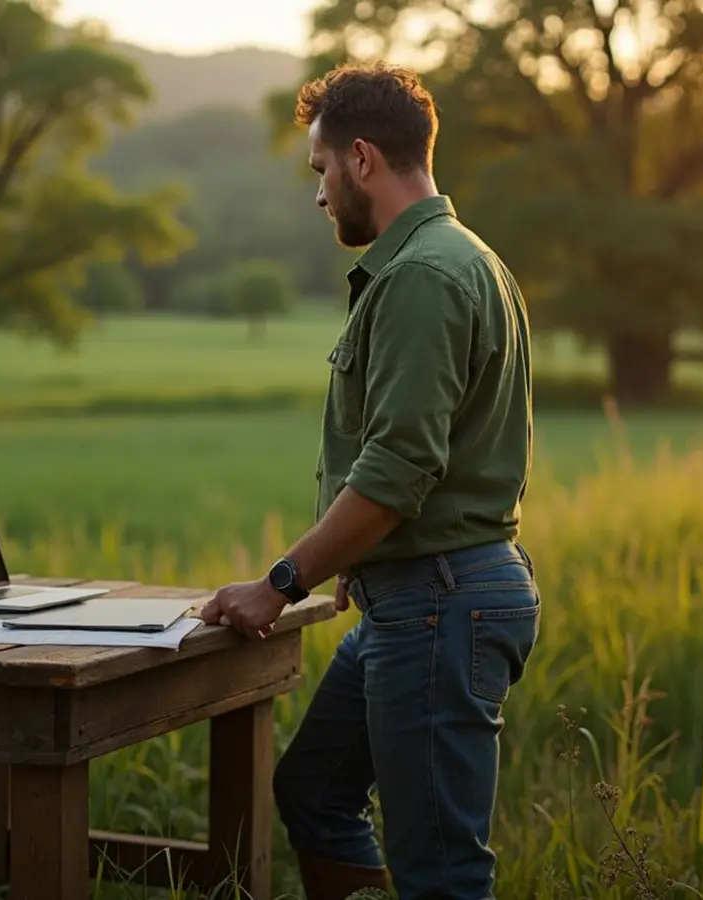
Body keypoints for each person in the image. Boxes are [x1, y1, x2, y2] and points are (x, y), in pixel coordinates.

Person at [197, 61, 539, 900]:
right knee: (315, 790)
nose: (318, 197)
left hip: (438, 603)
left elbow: (398, 471)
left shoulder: (422, 276)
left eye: (319, 172)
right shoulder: (463, 257)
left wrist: (281, 583)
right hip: (416, 595)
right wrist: (362, 559)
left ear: (360, 159)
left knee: (443, 877)